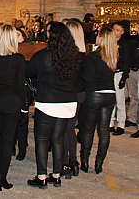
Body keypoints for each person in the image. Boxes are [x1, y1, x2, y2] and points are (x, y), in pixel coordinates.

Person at [27, 22, 82, 188]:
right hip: (68, 102)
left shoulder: (43, 55)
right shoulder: (75, 56)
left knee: (42, 140)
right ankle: (56, 175)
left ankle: (42, 176)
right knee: (58, 139)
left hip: (48, 102)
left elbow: (28, 72)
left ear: (50, 36)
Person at [0, 25, 26, 191]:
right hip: (11, 104)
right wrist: (24, 108)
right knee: (7, 142)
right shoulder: (18, 59)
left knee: (1, 140)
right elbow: (20, 87)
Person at [79, 27, 118, 174]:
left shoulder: (93, 56)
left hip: (95, 94)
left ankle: (84, 161)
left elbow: (87, 77)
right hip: (110, 95)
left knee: (88, 130)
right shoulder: (113, 55)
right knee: (104, 130)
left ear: (101, 39)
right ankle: (99, 163)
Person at [62, 20, 86, 179]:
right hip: (80, 94)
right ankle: (73, 161)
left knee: (65, 128)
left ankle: (67, 161)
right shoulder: (84, 55)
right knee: (69, 127)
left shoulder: (70, 56)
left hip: (69, 94)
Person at [109, 21, 131, 136]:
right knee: (111, 99)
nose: (115, 32)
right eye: (114, 30)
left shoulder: (124, 44)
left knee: (120, 100)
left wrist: (124, 77)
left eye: (118, 30)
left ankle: (121, 124)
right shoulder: (109, 42)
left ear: (122, 32)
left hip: (119, 73)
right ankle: (110, 123)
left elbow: (126, 61)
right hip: (110, 73)